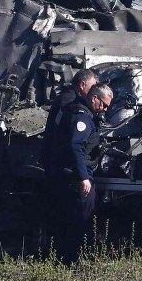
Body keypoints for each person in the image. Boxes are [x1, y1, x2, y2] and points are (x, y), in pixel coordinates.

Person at [49, 83, 113, 263]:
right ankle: (73, 261)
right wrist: (83, 177)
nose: (105, 109)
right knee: (81, 221)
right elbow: (76, 148)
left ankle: (68, 259)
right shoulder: (81, 118)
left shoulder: (82, 114)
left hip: (73, 175)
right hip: (76, 178)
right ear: (94, 98)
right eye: (104, 105)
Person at [43, 69, 97, 179]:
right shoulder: (70, 102)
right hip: (61, 164)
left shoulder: (68, 97)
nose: (94, 92)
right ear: (82, 85)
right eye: (92, 87)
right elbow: (73, 140)